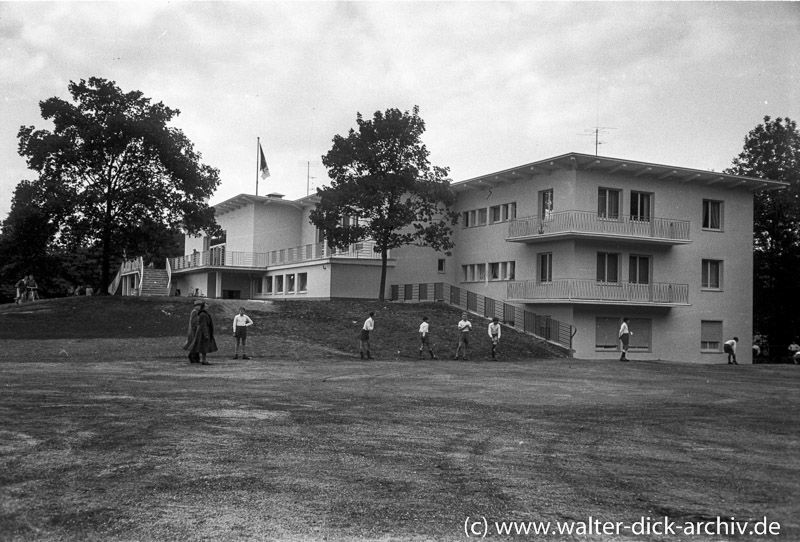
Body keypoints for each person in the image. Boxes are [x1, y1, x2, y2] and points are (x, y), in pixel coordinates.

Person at [184, 301, 217, 365]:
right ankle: (193, 357)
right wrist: (201, 332)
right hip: (197, 331)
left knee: (198, 345)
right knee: (197, 345)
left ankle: (196, 358)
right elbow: (195, 323)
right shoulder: (197, 312)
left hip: (199, 331)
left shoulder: (200, 313)